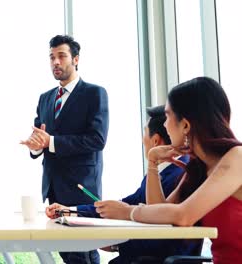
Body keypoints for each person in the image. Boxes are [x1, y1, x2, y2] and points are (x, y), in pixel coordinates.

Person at [95, 77, 242, 264]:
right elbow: (162, 217)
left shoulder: (237, 158)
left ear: (186, 125)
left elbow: (183, 215)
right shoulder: (200, 169)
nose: (164, 125)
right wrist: (153, 162)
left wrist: (127, 211)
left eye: (167, 116)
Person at [46, 105, 201, 263]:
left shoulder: (178, 174)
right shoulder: (166, 173)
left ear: (155, 140)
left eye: (144, 134)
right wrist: (72, 210)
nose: (142, 140)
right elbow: (124, 205)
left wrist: (117, 244)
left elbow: (160, 227)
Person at [21, 35, 109, 264]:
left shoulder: (94, 94)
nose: (55, 62)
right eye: (51, 57)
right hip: (53, 189)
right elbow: (41, 138)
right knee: (67, 254)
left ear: (76, 59)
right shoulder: (45, 98)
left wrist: (50, 142)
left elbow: (97, 140)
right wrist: (36, 146)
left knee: (83, 255)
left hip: (81, 189)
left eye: (61, 56)